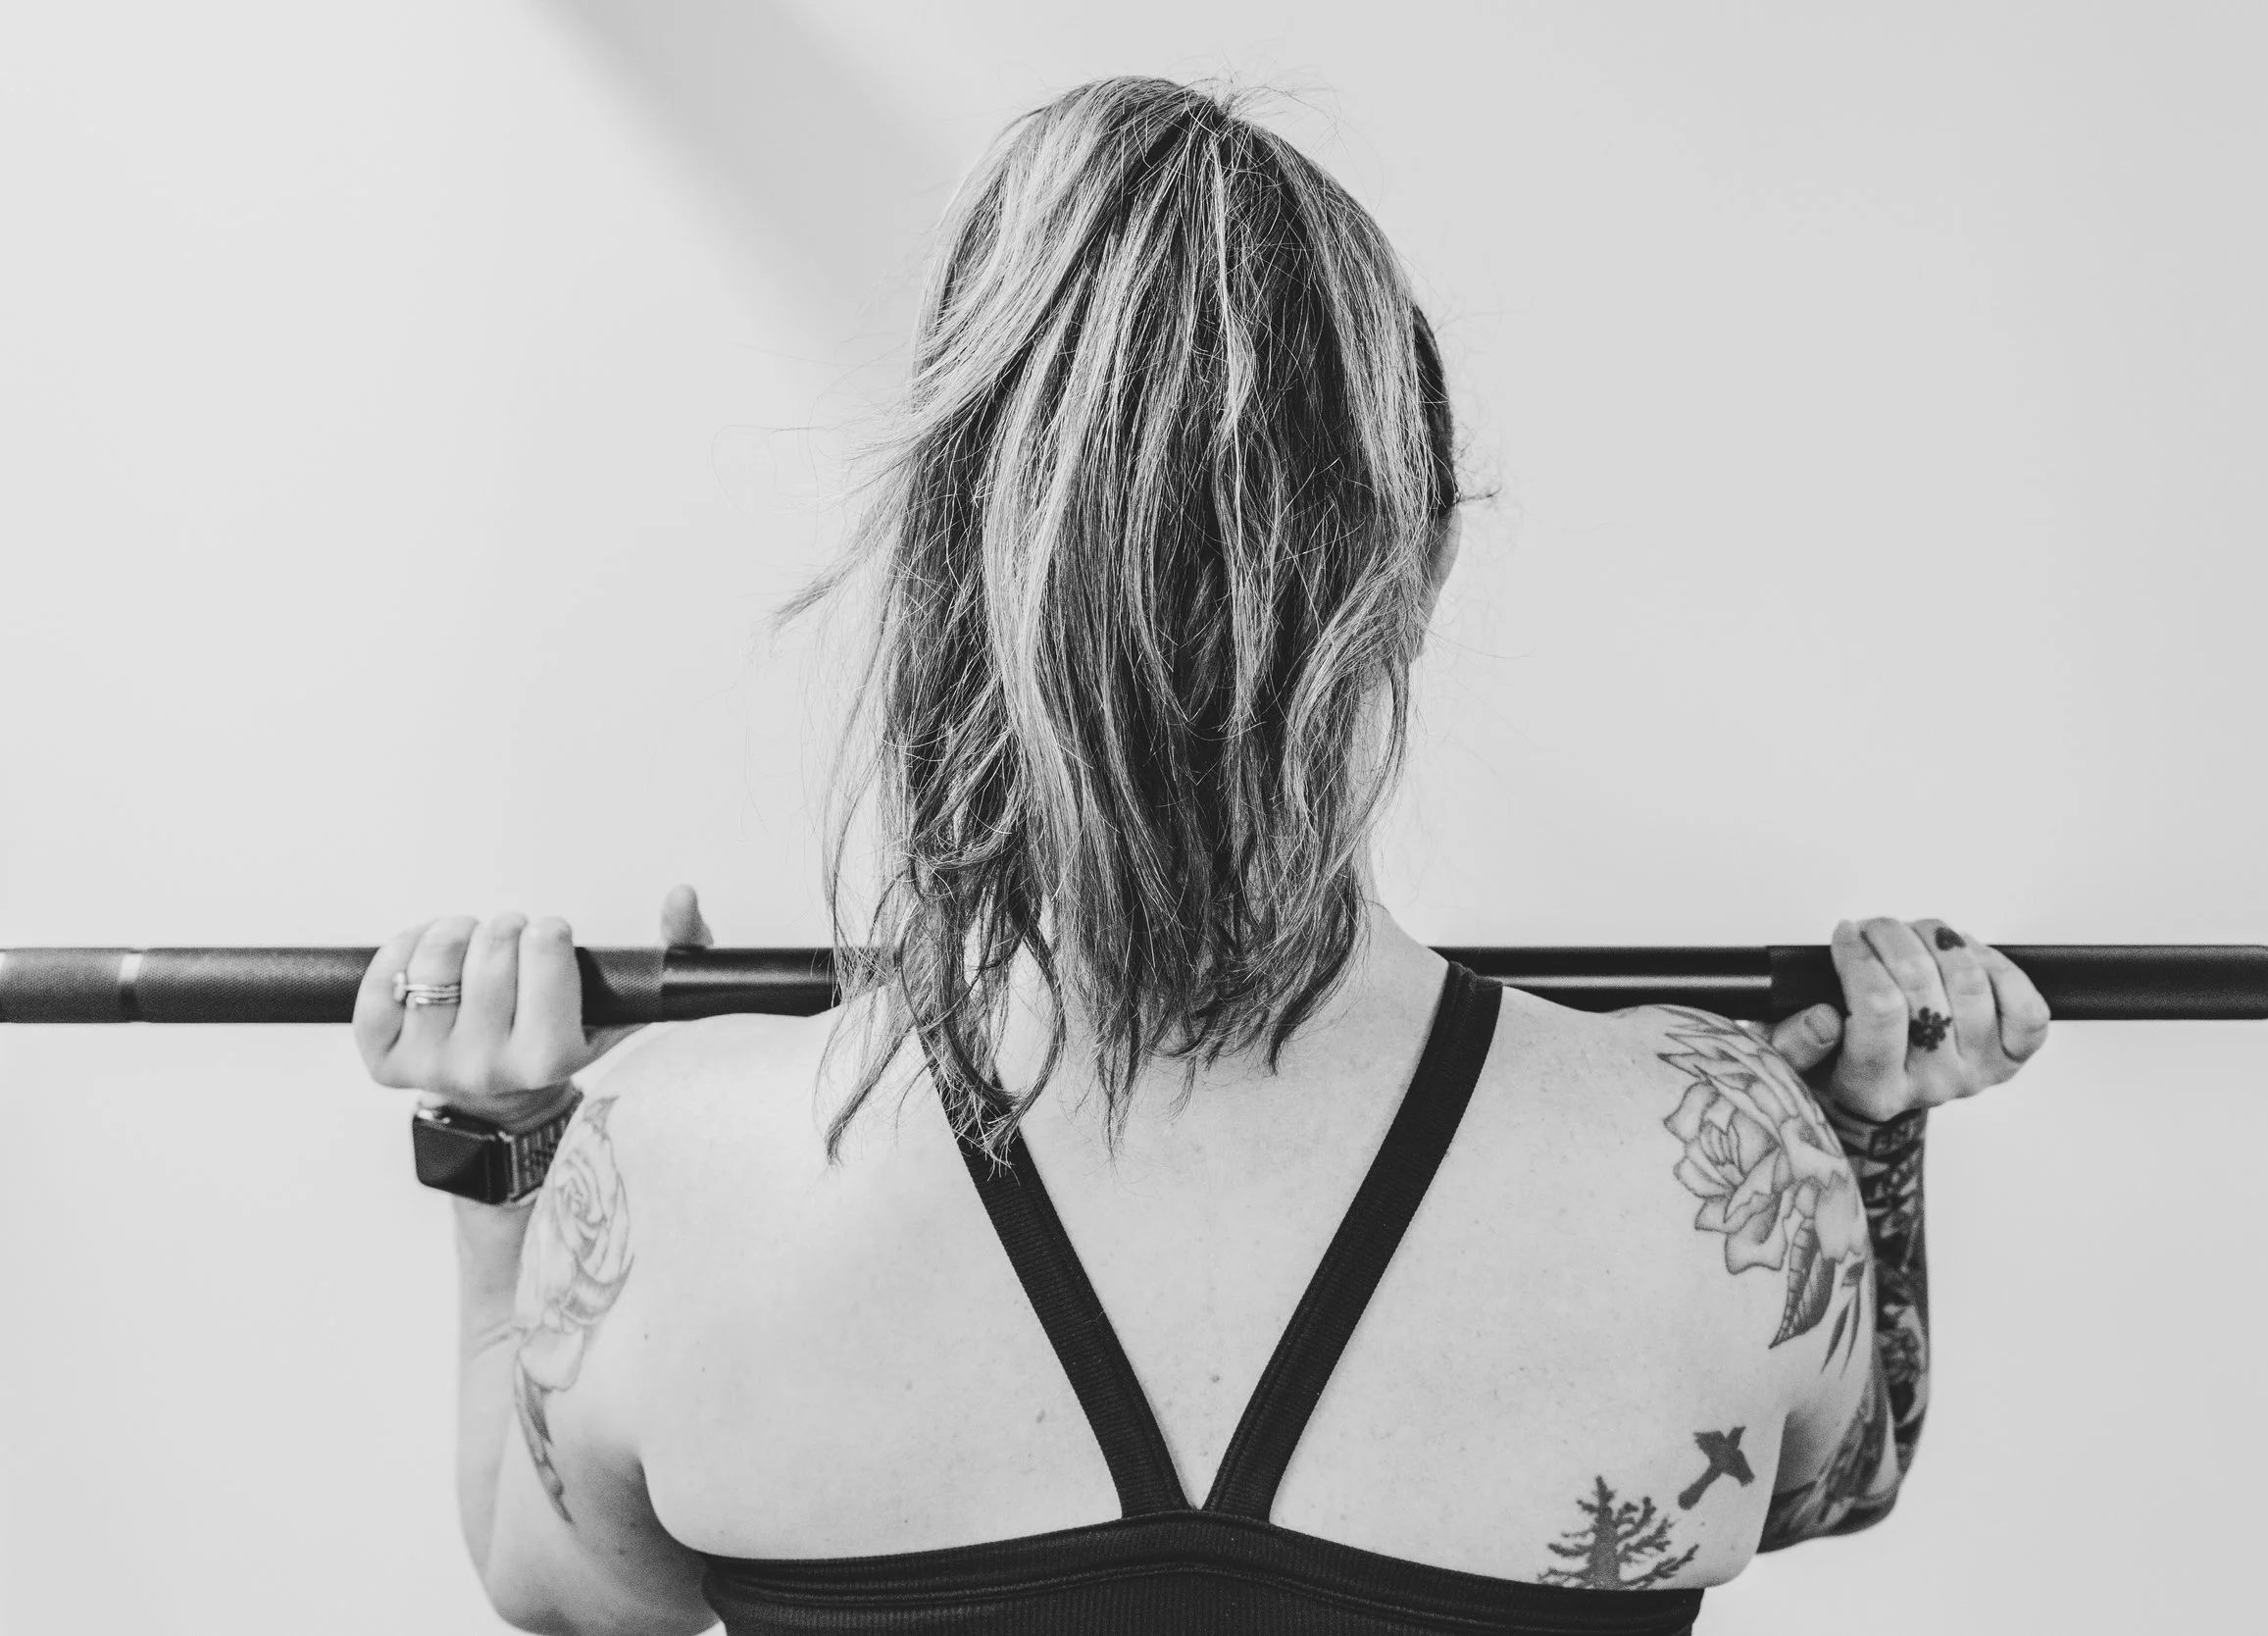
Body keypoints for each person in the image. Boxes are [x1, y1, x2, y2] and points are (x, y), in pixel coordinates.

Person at [354, 77, 2048, 1636]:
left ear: (947, 569)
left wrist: (505, 1156)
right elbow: (1836, 1471)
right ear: (1417, 564)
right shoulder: (1711, 1156)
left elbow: (560, 1591)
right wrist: (1857, 1140)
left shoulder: (666, 1183)